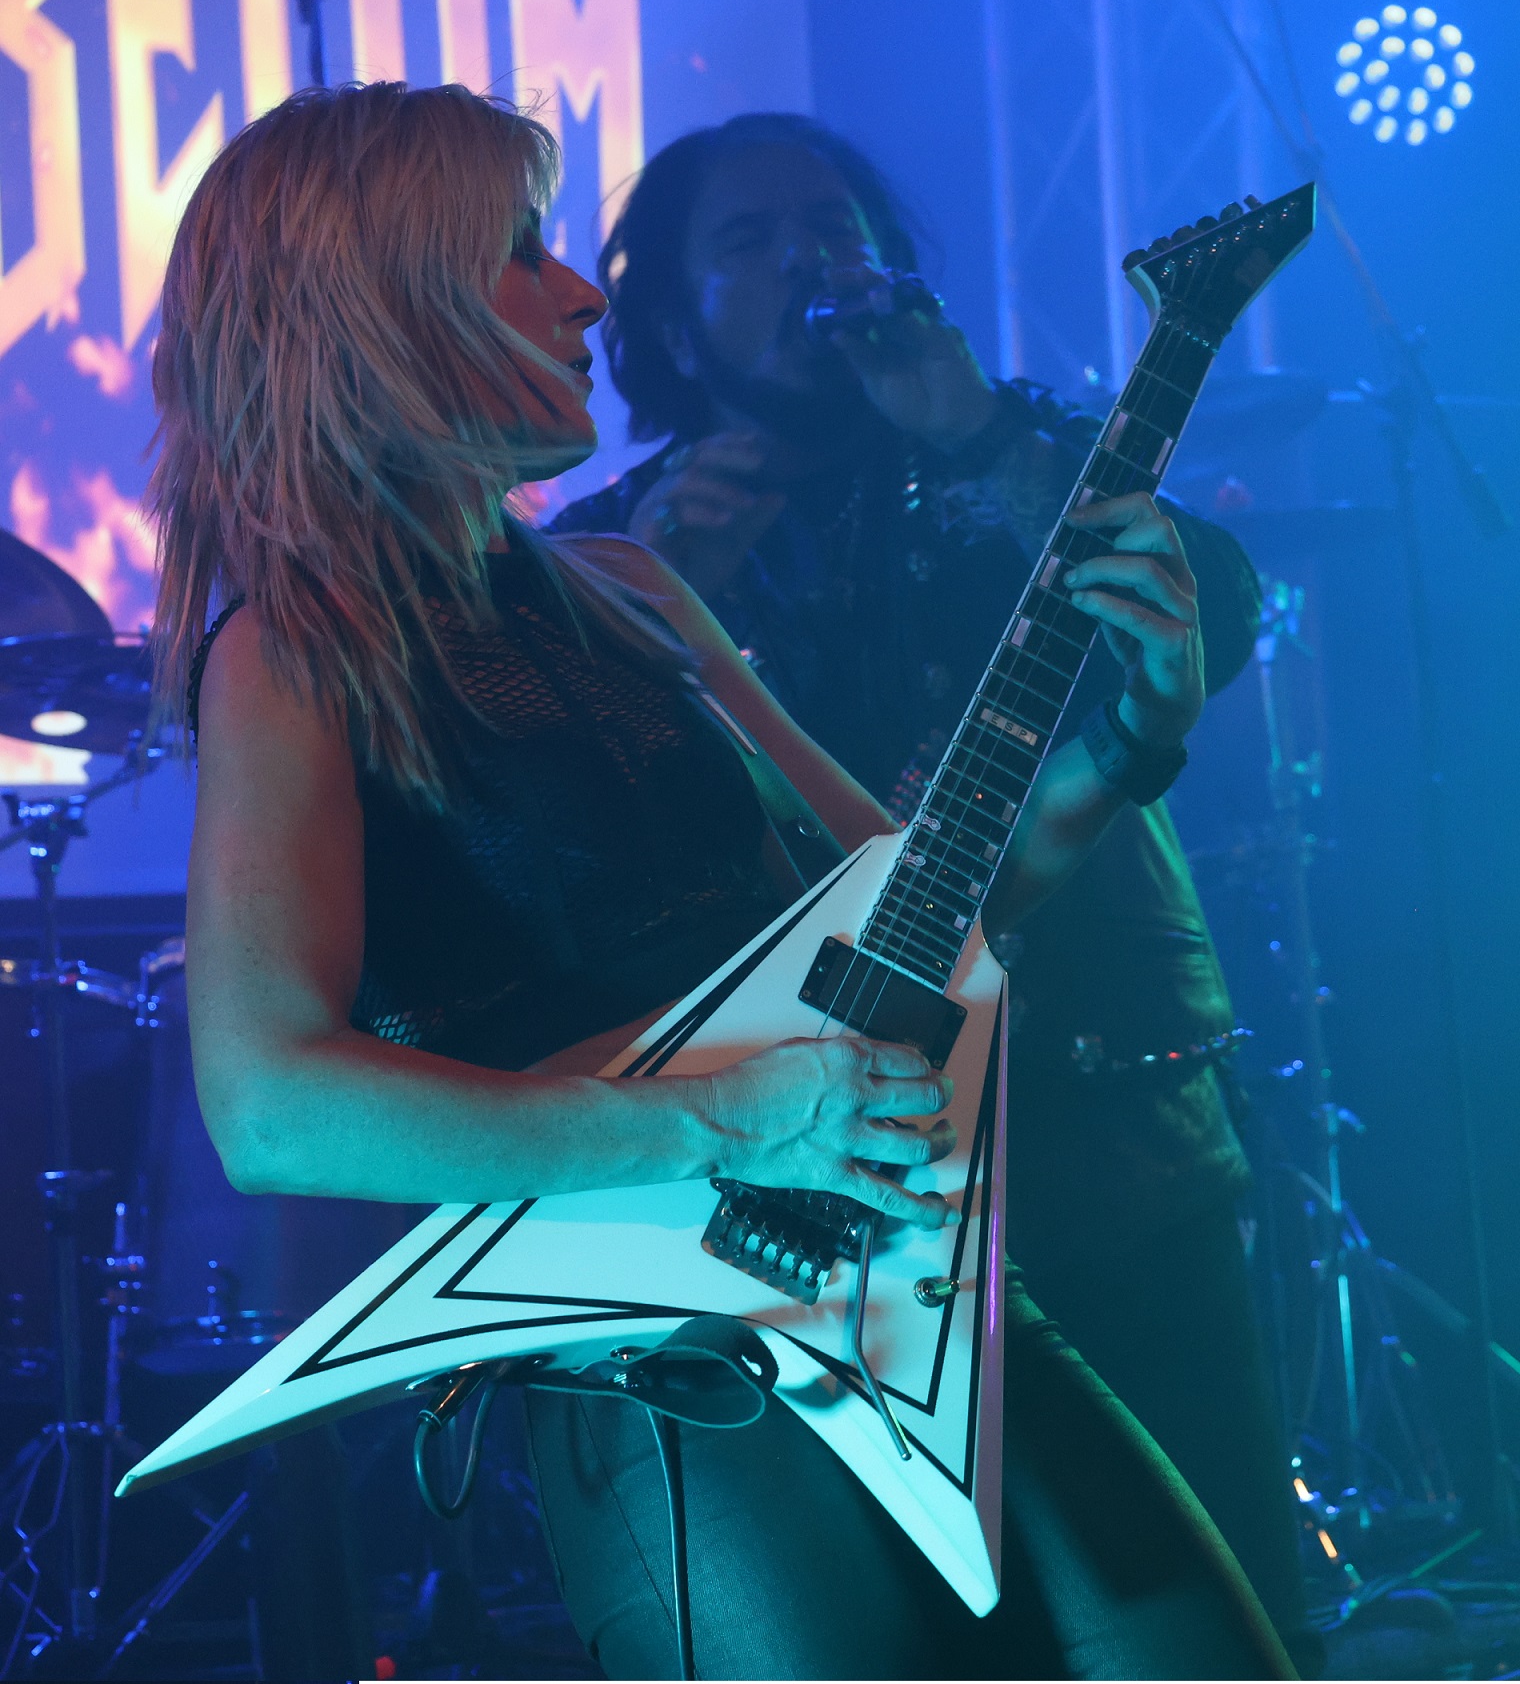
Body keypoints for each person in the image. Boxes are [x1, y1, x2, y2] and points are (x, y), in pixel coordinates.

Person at [151, 82, 1292, 1679]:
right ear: (379, 311)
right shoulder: (290, 653)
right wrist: (731, 1120)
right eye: (520, 254)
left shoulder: (631, 589)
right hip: (661, 1366)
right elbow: (274, 1107)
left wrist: (1130, 741)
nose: (583, 294)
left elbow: (914, 914)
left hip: (900, 1286)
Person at [550, 112, 1316, 1671]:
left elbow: (1217, 617)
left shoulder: (1005, 442)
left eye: (833, 226)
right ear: (673, 323)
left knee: (1209, 1597)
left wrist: (976, 433)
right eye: (749, 241)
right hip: (834, 1181)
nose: (808, 260)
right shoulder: (618, 553)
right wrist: (654, 603)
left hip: (1108, 1115)